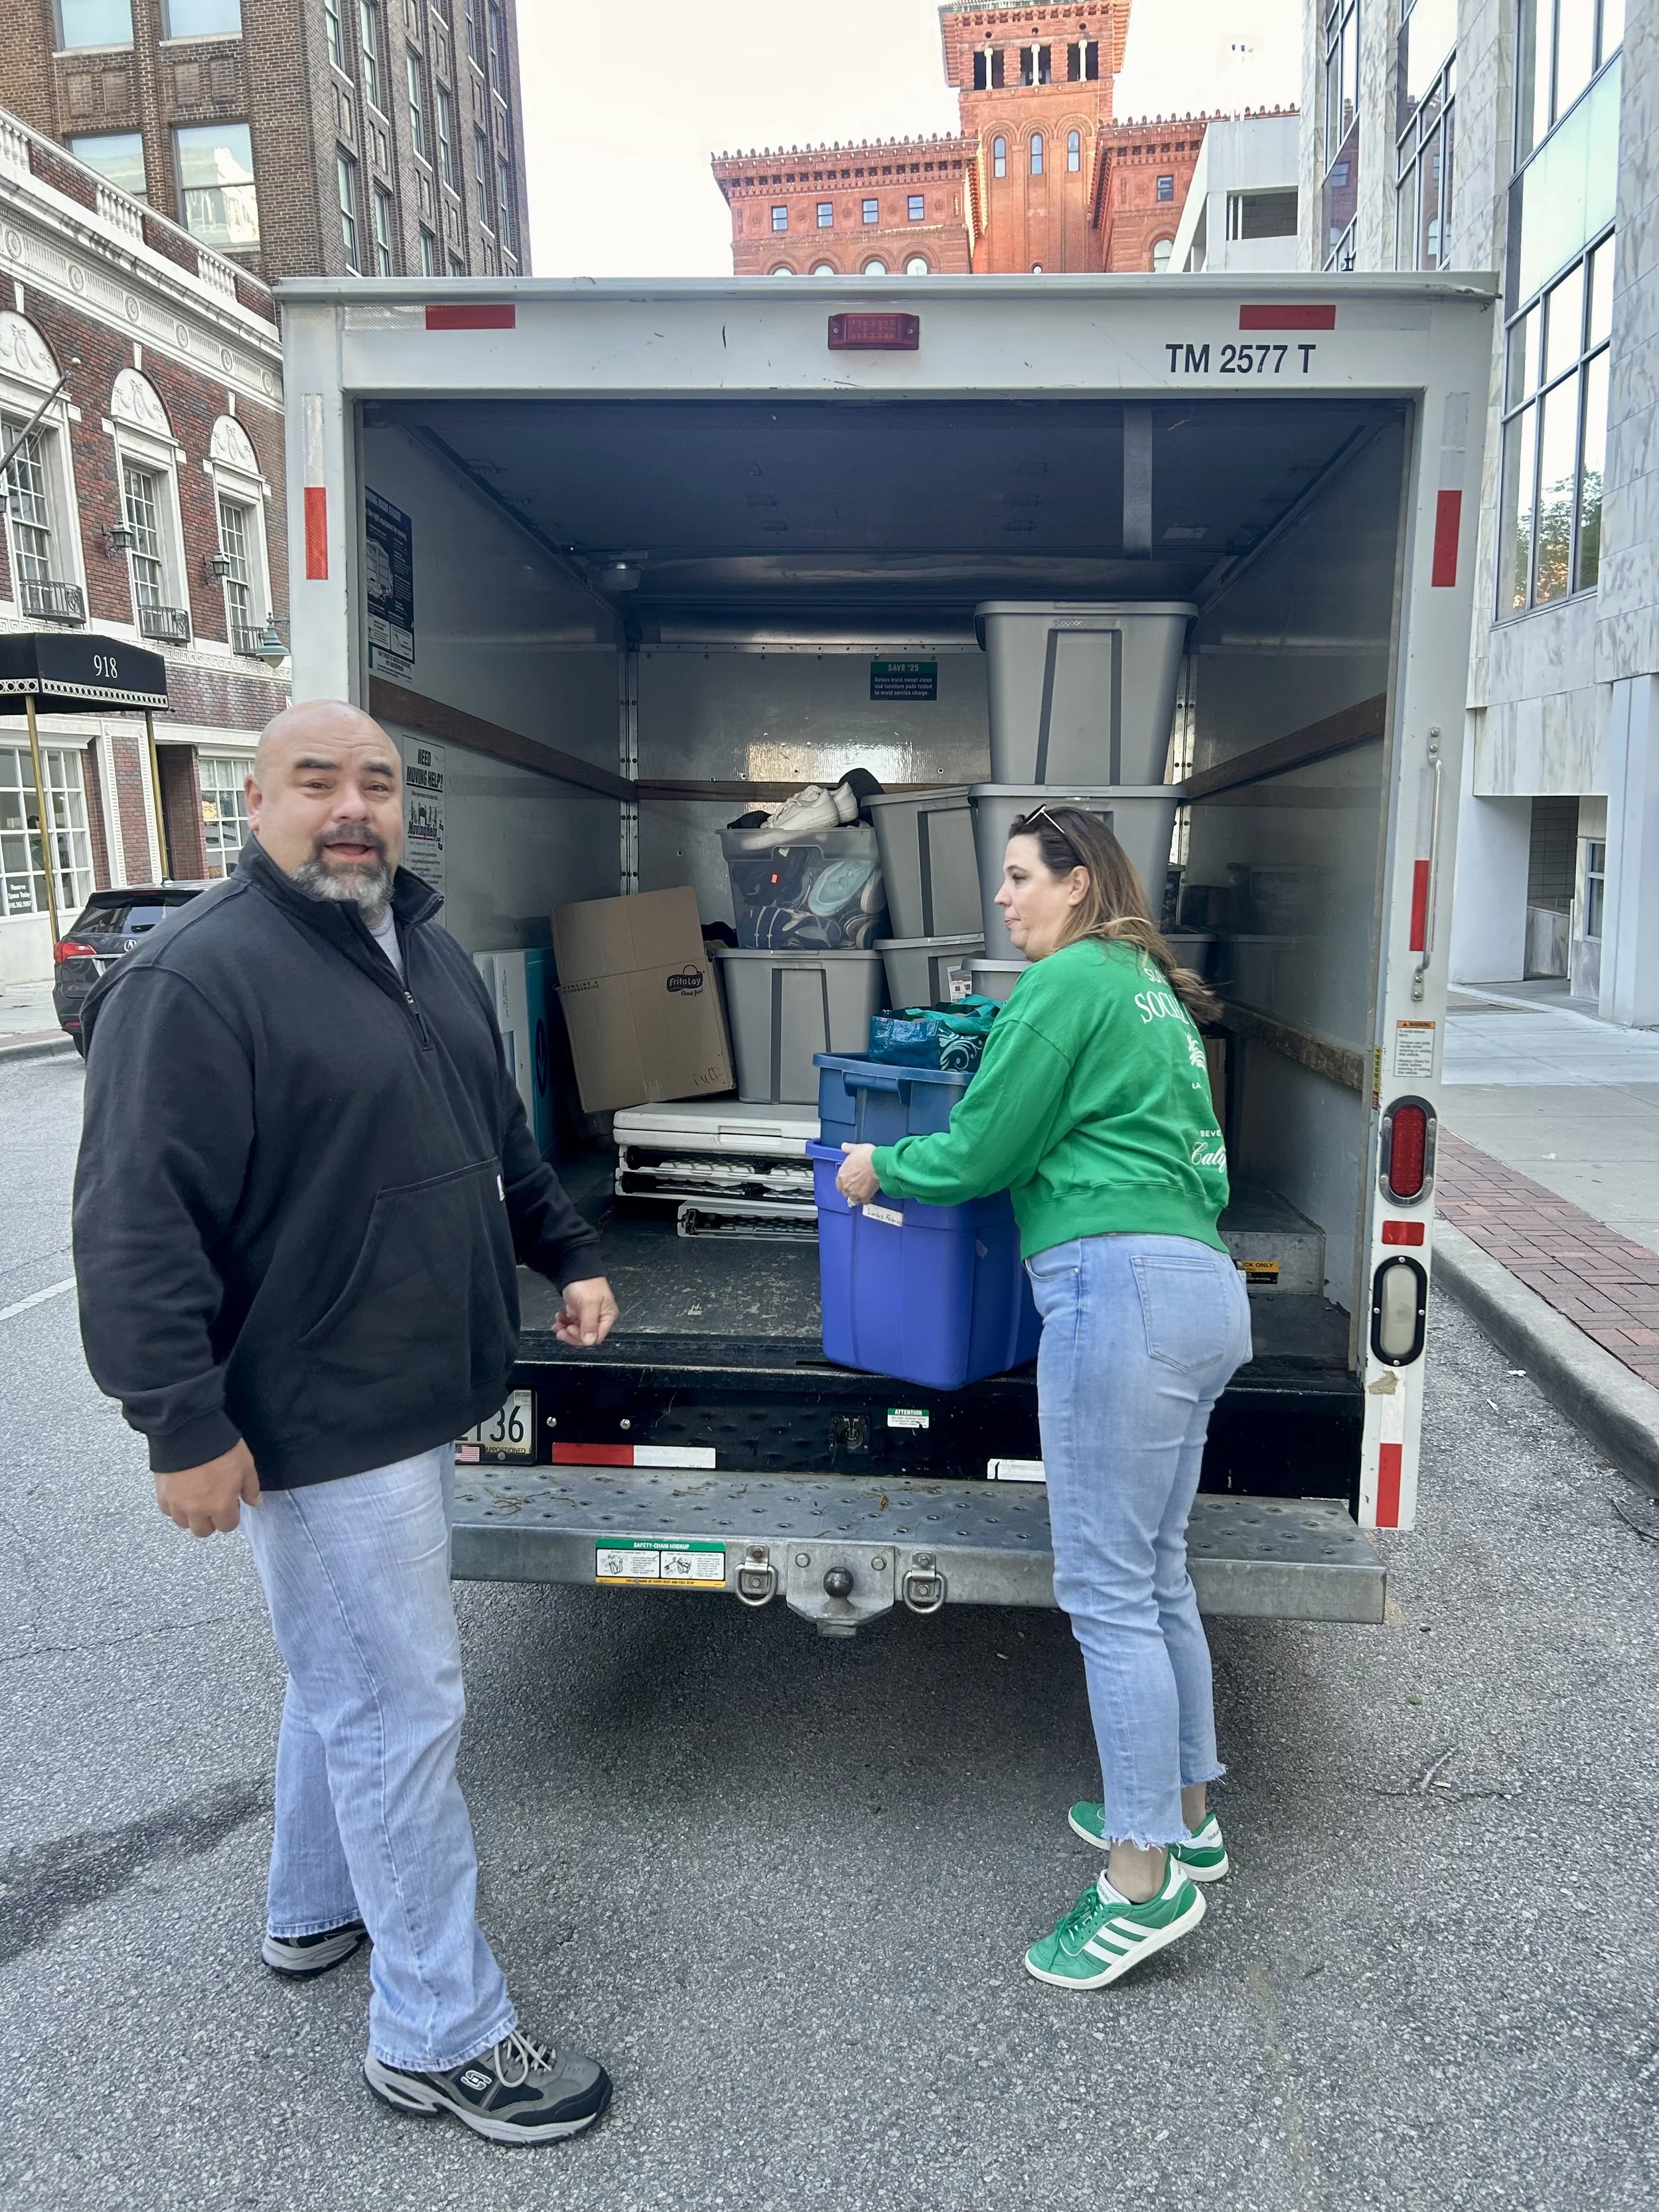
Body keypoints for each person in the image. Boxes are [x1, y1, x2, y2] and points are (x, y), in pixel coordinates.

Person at [74, 700, 620, 2145]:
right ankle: (439, 2035)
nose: (352, 805)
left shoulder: (417, 948)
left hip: (412, 1394)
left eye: (375, 780)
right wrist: (179, 1422)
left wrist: (565, 1254)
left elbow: (495, 1136)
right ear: (250, 803)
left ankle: (314, 1909)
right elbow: (135, 1225)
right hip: (313, 1418)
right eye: (315, 781)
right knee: (397, 1706)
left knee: (350, 1682)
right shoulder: (197, 979)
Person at [837, 804, 1250, 1991]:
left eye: (1021, 879)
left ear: (1078, 885)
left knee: (1110, 1592)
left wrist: (880, 1168)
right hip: (1198, 1288)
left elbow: (981, 1150)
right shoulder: (1146, 990)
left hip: (1117, 1289)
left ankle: (1140, 1883)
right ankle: (1186, 1816)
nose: (1006, 901)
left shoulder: (1065, 985)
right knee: (1159, 1569)